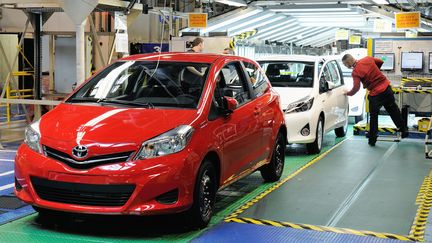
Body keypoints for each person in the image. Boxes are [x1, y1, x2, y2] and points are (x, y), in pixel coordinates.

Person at [342, 54, 408, 146]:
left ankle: (372, 139)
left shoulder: (355, 72)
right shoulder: (367, 59)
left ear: (349, 62)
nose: (346, 66)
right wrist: (375, 70)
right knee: (393, 110)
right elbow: (380, 62)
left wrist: (348, 93)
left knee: (374, 116)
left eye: (346, 64)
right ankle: (403, 130)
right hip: (386, 88)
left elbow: (356, 88)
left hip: (376, 94)